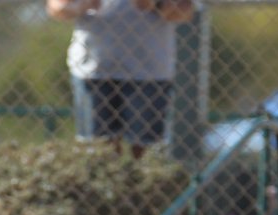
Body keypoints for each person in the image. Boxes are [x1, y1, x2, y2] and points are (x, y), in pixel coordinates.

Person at [47, 0, 195, 159]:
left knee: (147, 150)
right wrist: (83, 4)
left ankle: (143, 182)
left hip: (149, 72)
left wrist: (155, 4)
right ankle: (105, 182)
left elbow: (185, 11)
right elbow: (57, 8)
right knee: (98, 150)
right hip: (94, 71)